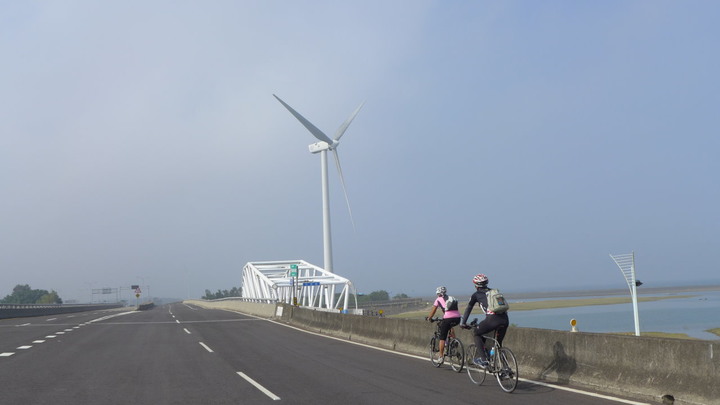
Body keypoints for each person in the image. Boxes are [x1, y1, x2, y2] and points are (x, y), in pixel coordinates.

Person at [460, 273, 510, 368]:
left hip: (492, 320)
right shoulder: (495, 292)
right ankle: (506, 369)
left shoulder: (476, 295)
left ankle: (483, 360)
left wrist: (463, 323)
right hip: (505, 319)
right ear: (486, 282)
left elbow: (468, 308)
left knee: (477, 333)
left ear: (475, 285)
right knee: (498, 345)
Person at [426, 286, 461, 362]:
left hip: (448, 319)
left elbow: (433, 311)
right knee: (450, 326)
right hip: (458, 318)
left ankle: (441, 357)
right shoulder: (450, 298)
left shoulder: (438, 299)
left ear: (438, 293)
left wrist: (429, 318)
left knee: (442, 338)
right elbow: (447, 310)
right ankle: (454, 341)